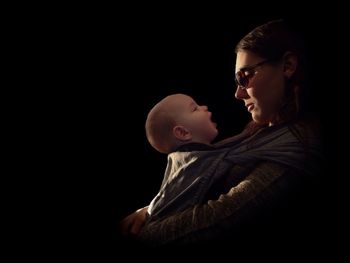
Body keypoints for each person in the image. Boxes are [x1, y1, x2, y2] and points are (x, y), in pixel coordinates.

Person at [120, 19, 324, 246]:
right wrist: (151, 209)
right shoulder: (262, 132)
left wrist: (139, 234)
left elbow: (216, 219)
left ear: (287, 66)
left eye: (245, 77)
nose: (238, 93)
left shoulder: (297, 148)